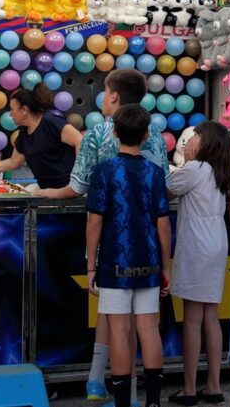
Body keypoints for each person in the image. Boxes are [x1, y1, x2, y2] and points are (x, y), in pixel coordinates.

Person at [36, 69, 170, 403]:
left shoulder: (97, 136)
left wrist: (48, 193)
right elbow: (163, 197)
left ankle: (106, 386)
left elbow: (78, 189)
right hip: (150, 250)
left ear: (112, 96)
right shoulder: (154, 135)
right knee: (146, 325)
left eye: (104, 91)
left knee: (117, 322)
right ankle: (144, 395)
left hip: (113, 249)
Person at [86, 104, 171, 407]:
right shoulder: (156, 172)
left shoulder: (103, 171)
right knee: (148, 328)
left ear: (114, 132)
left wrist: (91, 266)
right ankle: (153, 401)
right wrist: (166, 265)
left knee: (119, 330)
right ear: (147, 134)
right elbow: (163, 222)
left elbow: (95, 220)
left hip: (114, 260)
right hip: (148, 259)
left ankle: (123, 401)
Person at [166, 121, 230, 406]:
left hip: (196, 245)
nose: (190, 140)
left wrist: (186, 161)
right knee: (211, 316)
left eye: (196, 136)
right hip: (216, 242)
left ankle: (190, 387)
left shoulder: (194, 169)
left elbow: (167, 187)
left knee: (192, 319)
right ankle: (214, 385)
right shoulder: (221, 172)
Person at [0, 83, 82, 188]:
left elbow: (80, 141)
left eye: (12, 109)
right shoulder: (24, 132)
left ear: (24, 110)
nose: (10, 114)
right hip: (45, 188)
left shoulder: (51, 121)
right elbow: (13, 162)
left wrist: (79, 178)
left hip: (68, 186)